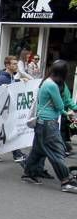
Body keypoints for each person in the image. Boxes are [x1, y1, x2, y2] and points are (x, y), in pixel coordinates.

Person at [21, 60, 77, 192]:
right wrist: (68, 112)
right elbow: (60, 105)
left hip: (42, 123)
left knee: (38, 151)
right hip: (48, 123)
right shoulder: (52, 85)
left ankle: (28, 173)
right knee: (57, 152)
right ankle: (66, 182)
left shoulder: (46, 81)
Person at [0, 55, 28, 163]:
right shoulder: (3, 78)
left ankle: (13, 153)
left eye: (16, 63)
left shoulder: (10, 77)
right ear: (7, 65)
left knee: (7, 132)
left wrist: (20, 80)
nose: (16, 66)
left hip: (7, 110)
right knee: (8, 132)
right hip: (3, 111)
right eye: (14, 64)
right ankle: (16, 154)